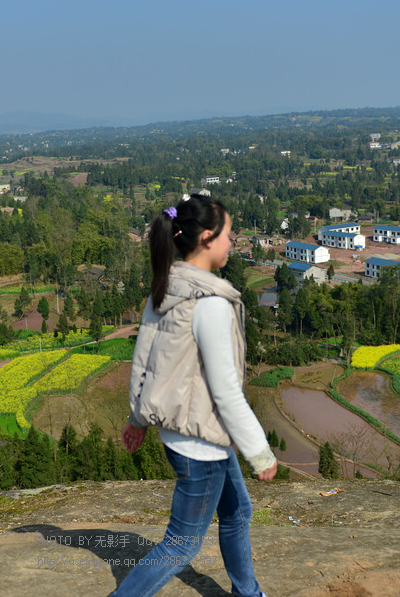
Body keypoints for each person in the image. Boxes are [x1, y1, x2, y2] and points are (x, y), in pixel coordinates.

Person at [114, 195, 277, 597]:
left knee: (238, 511)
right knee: (182, 542)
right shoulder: (210, 305)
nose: (232, 242)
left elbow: (146, 358)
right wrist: (260, 452)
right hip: (200, 443)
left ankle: (247, 593)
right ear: (206, 238)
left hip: (188, 435)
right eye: (228, 235)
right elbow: (225, 391)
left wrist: (137, 420)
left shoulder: (167, 286)